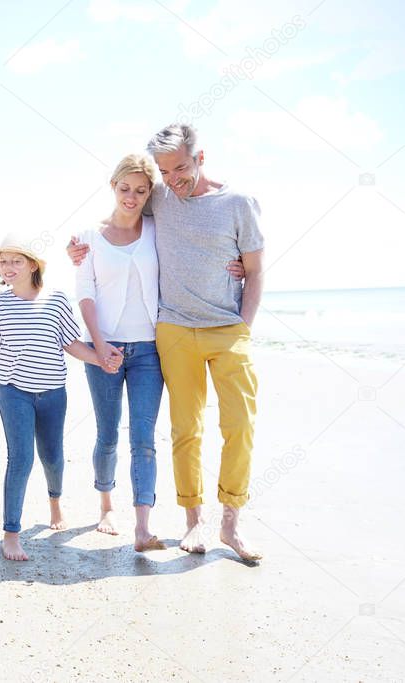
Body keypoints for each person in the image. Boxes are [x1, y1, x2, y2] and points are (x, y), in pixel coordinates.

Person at [69, 124, 264, 562]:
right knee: (184, 429)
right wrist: (76, 248)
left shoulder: (238, 203)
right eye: (165, 171)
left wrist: (243, 327)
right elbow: (117, 216)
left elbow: (255, 270)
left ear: (201, 157)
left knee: (240, 424)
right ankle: (193, 520)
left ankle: (231, 523)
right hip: (172, 329)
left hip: (226, 327)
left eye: (180, 168)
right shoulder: (159, 197)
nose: (173, 179)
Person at [0, 235, 121, 562]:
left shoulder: (56, 300)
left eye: (16, 261)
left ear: (33, 265)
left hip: (53, 393)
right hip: (14, 393)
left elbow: (72, 345)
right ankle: (11, 533)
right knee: (21, 458)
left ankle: (55, 503)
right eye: (3, 261)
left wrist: (102, 359)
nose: (7, 267)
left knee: (53, 457)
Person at [75, 154, 166, 551]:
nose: (132, 197)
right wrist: (98, 345)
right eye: (125, 188)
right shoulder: (89, 237)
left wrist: (233, 264)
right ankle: (106, 504)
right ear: (113, 186)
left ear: (149, 194)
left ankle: (143, 527)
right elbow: (85, 292)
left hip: (149, 348)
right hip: (103, 347)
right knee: (108, 434)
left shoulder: (157, 229)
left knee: (143, 438)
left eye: (141, 190)